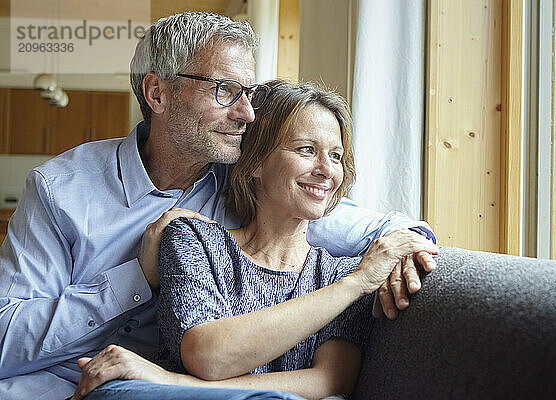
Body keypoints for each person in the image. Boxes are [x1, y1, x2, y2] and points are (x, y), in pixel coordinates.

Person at [0, 12, 436, 400]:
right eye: (225, 90)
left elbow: (375, 226)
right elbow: (5, 342)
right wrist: (135, 278)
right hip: (49, 383)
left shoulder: (251, 183)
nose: (247, 113)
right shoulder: (60, 190)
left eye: (248, 92)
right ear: (158, 93)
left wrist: (411, 246)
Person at [74, 81, 439, 400]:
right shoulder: (194, 240)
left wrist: (170, 381)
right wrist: (356, 284)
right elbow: (209, 355)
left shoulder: (336, 274)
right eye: (306, 150)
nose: (327, 170)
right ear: (256, 162)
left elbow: (330, 380)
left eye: (336, 156)